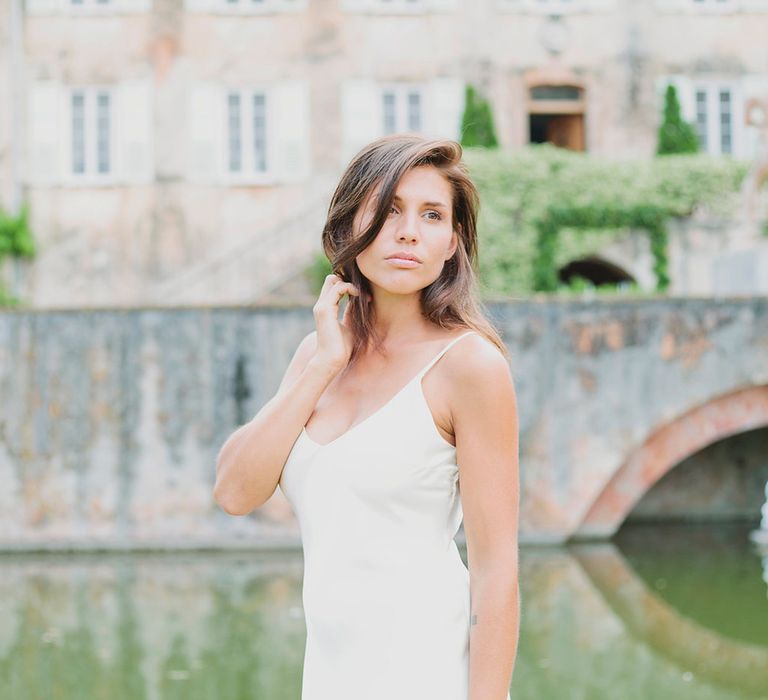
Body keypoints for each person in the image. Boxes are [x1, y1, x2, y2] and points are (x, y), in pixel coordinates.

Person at [213, 134, 520, 700]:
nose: (409, 231)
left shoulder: (470, 366)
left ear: (453, 242)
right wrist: (323, 364)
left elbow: (496, 570)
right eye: (389, 210)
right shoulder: (317, 354)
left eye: (432, 215)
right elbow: (235, 492)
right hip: (330, 679)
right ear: (350, 227)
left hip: (429, 674)